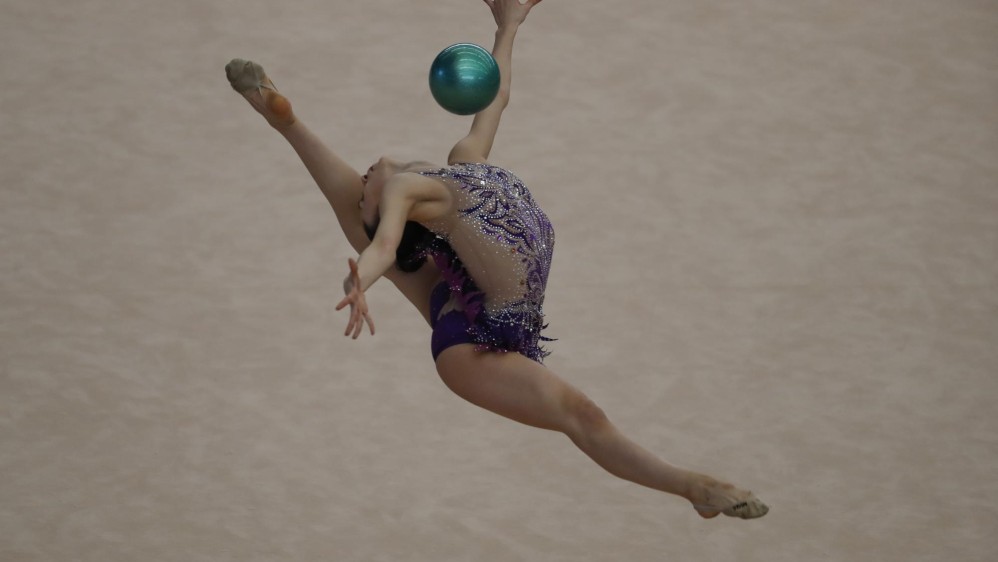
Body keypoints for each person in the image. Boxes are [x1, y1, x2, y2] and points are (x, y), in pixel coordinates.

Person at [225, 0, 768, 520]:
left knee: (573, 409)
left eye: (365, 181)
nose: (367, 177)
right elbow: (385, 246)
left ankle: (283, 119)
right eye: (367, 188)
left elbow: (495, 95)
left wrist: (509, 23)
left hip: (470, 299)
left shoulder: (465, 163)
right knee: (583, 417)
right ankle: (695, 486)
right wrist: (362, 279)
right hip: (468, 347)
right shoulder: (408, 193)